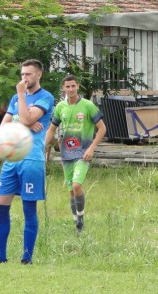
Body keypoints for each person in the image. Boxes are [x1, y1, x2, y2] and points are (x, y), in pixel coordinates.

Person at [0, 59, 54, 264]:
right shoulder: (14, 99)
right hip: (12, 158)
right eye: (22, 74)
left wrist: (22, 102)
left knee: (28, 208)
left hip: (31, 159)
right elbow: (4, 126)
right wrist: (23, 120)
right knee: (0, 206)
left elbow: (26, 119)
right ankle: (0, 256)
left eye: (28, 74)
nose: (24, 78)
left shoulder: (46, 97)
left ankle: (27, 258)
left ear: (39, 75)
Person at [45, 75, 106, 232]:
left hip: (83, 153)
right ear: (63, 88)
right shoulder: (60, 107)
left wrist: (92, 148)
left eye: (73, 86)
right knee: (71, 190)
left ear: (78, 86)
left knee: (77, 185)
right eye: (67, 87)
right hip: (66, 154)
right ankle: (76, 222)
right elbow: (52, 129)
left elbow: (102, 128)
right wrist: (42, 147)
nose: (70, 89)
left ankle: (81, 218)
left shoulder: (88, 106)